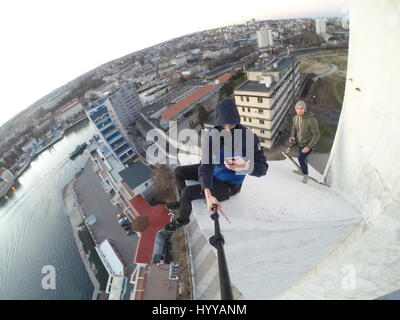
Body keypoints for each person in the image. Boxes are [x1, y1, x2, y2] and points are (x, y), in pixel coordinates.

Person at [164, 98, 268, 232]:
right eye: (223, 126)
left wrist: (245, 166)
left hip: (229, 184)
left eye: (231, 125)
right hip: (213, 172)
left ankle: (183, 218)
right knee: (178, 171)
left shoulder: (249, 138)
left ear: (237, 122)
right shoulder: (211, 137)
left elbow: (262, 169)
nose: (228, 130)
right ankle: (181, 203)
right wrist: (207, 193)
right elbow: (205, 165)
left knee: (187, 192)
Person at [289, 100, 320, 184]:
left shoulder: (311, 120)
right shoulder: (295, 118)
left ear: (304, 109)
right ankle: (302, 169)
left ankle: (305, 175)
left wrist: (309, 147)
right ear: (295, 109)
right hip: (300, 144)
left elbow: (316, 135)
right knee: (301, 158)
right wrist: (293, 136)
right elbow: (294, 129)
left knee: (301, 158)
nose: (299, 110)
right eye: (297, 108)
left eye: (301, 108)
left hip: (309, 144)